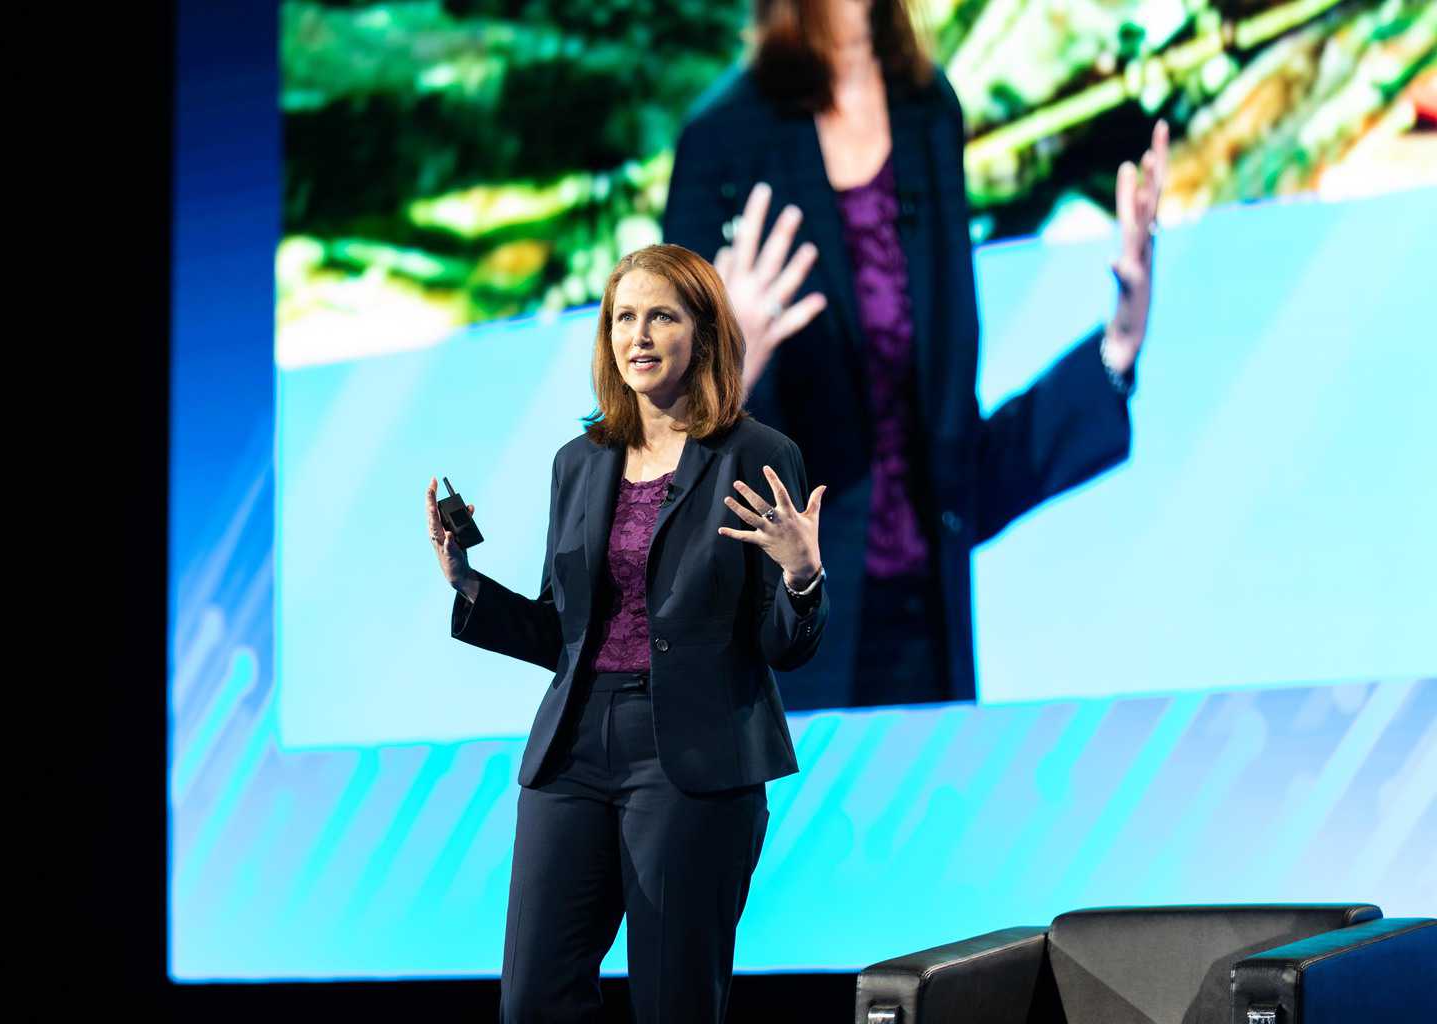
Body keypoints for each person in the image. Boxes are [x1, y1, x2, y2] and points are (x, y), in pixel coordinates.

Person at [662, 0, 1169, 710]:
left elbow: (953, 469)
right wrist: (728, 371)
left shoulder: (928, 113)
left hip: (928, 652)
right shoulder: (724, 139)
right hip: (779, 663)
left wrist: (1118, 342)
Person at [424, 243, 829, 1022]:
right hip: (573, 747)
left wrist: (801, 576)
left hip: (693, 755)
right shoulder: (580, 461)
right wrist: (466, 584)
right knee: (533, 1000)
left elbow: (784, 646)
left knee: (674, 1001)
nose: (638, 336)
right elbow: (562, 633)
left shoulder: (755, 455)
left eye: (661, 317)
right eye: (623, 318)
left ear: (703, 333)